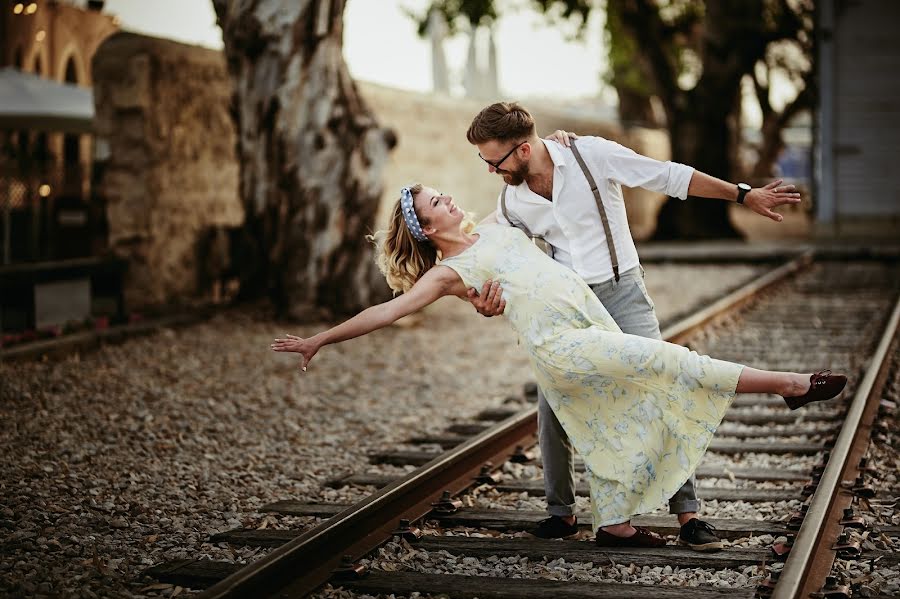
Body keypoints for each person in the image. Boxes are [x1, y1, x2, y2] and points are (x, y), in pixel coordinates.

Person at [271, 184, 846, 547]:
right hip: (562, 348)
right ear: (426, 228)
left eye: (441, 193)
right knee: (671, 360)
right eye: (434, 204)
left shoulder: (496, 229)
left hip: (586, 324)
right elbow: (387, 310)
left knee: (610, 418)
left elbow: (554, 193)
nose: (447, 198)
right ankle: (789, 385)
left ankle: (614, 525)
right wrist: (321, 338)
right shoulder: (445, 274)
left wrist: (561, 145)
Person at [463, 102, 803, 550]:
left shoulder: (591, 155)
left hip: (623, 293)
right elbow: (484, 250)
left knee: (663, 386)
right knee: (551, 409)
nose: (490, 169)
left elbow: (670, 176)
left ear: (523, 150)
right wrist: (478, 298)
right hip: (569, 310)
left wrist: (743, 194)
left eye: (494, 160)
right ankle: (560, 515)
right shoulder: (513, 199)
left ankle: (689, 517)